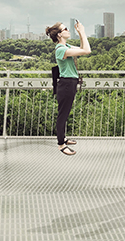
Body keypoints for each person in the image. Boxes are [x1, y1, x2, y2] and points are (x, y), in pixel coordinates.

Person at [45, 20, 90, 156]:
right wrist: (82, 31)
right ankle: (61, 144)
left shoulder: (67, 46)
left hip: (70, 83)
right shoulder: (61, 50)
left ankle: (63, 137)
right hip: (65, 85)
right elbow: (87, 50)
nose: (68, 30)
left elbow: (83, 48)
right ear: (59, 35)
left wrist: (81, 34)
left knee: (65, 113)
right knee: (62, 115)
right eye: (65, 29)